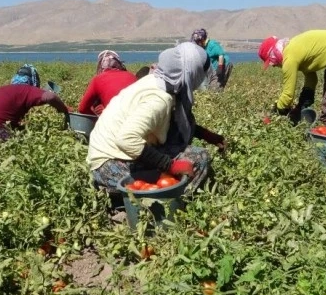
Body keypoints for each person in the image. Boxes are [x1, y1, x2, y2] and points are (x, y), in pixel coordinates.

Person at [87, 42, 226, 196]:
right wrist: (169, 165)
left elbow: (171, 122)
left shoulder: (156, 81)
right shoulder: (159, 98)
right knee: (200, 158)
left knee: (180, 148)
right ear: (191, 71)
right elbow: (126, 139)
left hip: (109, 156)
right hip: (109, 167)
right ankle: (176, 204)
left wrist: (205, 135)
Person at [0, 64, 70, 150]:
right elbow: (50, 97)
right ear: (33, 81)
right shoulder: (26, 89)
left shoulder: (6, 89)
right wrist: (64, 110)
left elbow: (4, 116)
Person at [77, 50, 137, 116]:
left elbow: (82, 109)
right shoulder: (132, 76)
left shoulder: (98, 79)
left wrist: (98, 117)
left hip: (116, 121)